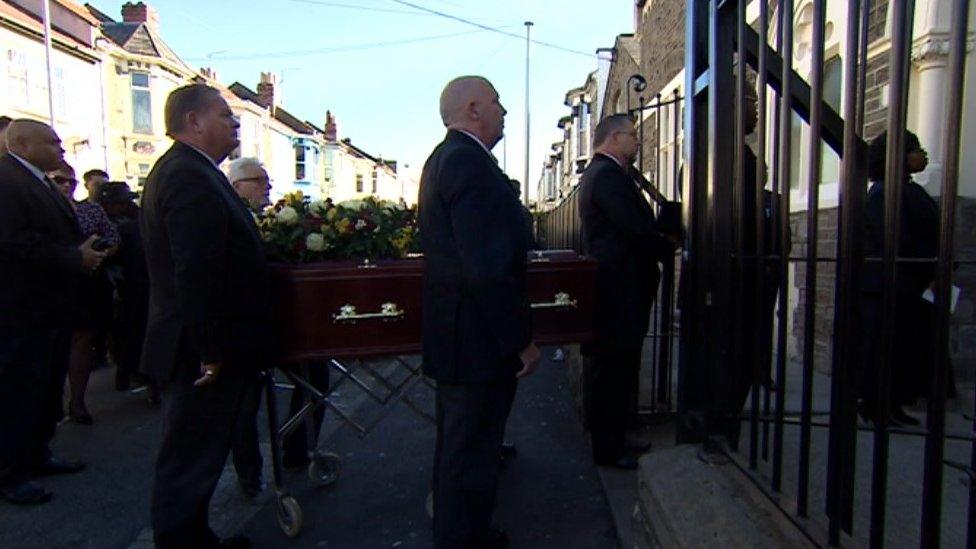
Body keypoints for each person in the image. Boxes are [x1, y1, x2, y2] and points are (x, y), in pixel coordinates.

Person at [141, 84, 272, 549]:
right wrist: (210, 349)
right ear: (194, 122)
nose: (235, 124)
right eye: (224, 115)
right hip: (198, 348)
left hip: (206, 341)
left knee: (200, 453)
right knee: (190, 457)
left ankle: (195, 537)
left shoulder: (197, 171)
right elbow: (194, 270)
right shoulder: (186, 176)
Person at [419, 75, 540, 548]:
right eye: (496, 101)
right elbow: (486, 268)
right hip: (476, 340)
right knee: (469, 451)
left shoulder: (450, 159)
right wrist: (521, 341)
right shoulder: (468, 164)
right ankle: (463, 539)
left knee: (464, 448)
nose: (503, 110)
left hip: (462, 337)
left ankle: (466, 532)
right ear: (473, 109)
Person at [0, 119, 104, 505]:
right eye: (53, 143)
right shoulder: (7, 180)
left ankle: (38, 454)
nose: (61, 149)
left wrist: (85, 250)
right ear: (24, 144)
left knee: (44, 389)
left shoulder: (38, 181)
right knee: (18, 392)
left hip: (52, 308)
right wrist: (72, 257)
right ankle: (10, 473)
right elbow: (13, 242)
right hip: (23, 310)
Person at [224, 156, 329, 498]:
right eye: (260, 181)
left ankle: (297, 448)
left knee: (315, 377)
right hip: (246, 325)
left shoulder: (271, 220)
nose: (267, 188)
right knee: (246, 402)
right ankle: (251, 476)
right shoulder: (231, 217)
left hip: (283, 323)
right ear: (238, 186)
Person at [578, 114, 674, 470]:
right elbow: (636, 229)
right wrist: (667, 245)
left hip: (620, 287)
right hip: (616, 289)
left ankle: (619, 433)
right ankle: (608, 447)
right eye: (632, 135)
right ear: (613, 138)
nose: (638, 141)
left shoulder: (608, 175)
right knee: (612, 371)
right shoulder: (606, 176)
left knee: (621, 367)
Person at [859, 130, 953, 426]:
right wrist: (929, 269)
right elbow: (897, 240)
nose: (923, 155)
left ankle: (892, 404)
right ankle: (877, 406)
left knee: (902, 350)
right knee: (888, 349)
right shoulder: (885, 192)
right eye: (917, 150)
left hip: (910, 283)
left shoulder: (904, 188)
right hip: (895, 284)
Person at [50, 163, 119, 424]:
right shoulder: (38, 208)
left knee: (83, 340)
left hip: (87, 282)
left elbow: (113, 238)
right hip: (49, 283)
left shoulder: (90, 209)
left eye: (71, 182)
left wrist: (98, 255)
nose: (67, 186)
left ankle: (77, 401)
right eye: (59, 180)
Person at [95, 181, 155, 399]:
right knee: (125, 334)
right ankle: (128, 371)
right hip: (122, 285)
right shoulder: (107, 224)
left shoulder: (138, 222)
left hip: (139, 284)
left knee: (136, 332)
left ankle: (143, 376)